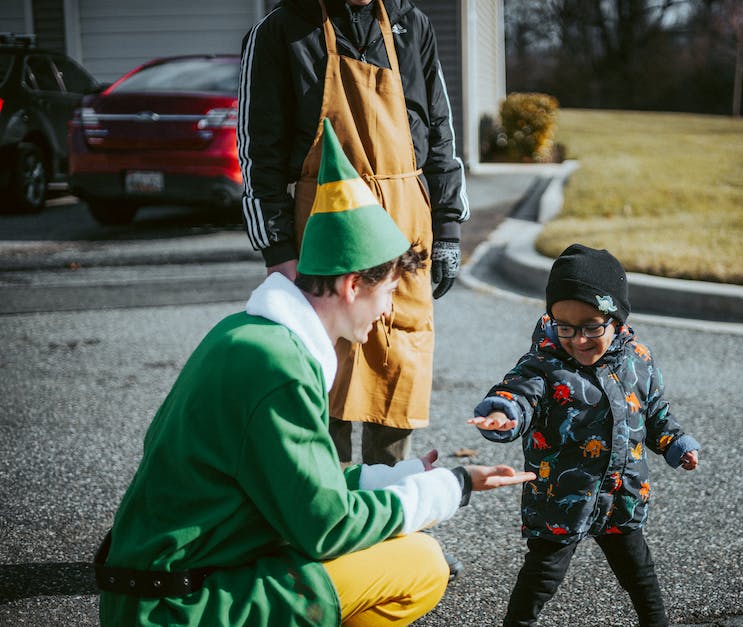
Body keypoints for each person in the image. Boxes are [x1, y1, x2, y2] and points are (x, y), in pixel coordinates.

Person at [94, 121, 532, 626]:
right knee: (420, 563)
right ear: (351, 285)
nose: (388, 310)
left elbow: (293, 480)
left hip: (169, 584)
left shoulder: (252, 336)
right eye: (388, 290)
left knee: (395, 543)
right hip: (178, 605)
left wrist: (396, 476)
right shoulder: (278, 367)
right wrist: (449, 487)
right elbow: (325, 527)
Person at [237, 0, 469, 467]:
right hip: (322, 226)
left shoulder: (411, 24)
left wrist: (446, 227)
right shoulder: (281, 31)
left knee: (399, 365)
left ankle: (388, 509)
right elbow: (257, 151)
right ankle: (328, 508)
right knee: (327, 373)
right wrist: (278, 251)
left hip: (406, 222)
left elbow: (440, 130)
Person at [468, 244, 701, 627]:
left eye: (592, 327)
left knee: (639, 574)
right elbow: (518, 394)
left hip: (622, 494)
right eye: (565, 328)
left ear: (617, 320)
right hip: (560, 501)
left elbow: (656, 415)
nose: (578, 340)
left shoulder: (637, 359)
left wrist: (676, 444)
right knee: (541, 578)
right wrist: (504, 413)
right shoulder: (542, 365)